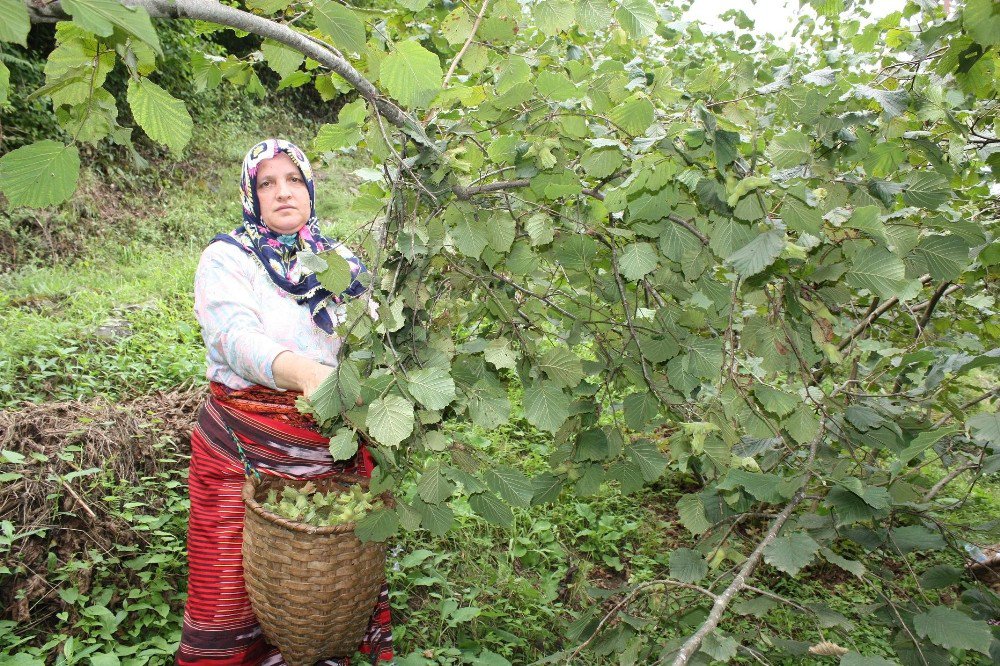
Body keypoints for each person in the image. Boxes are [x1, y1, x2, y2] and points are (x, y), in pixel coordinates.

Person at [176, 139, 394, 665]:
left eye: (293, 179)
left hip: (329, 450)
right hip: (243, 450)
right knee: (231, 590)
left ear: (311, 186)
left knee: (323, 597)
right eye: (266, 182)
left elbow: (377, 332)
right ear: (251, 194)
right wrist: (301, 371)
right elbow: (234, 337)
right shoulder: (227, 258)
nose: (282, 192)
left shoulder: (339, 262)